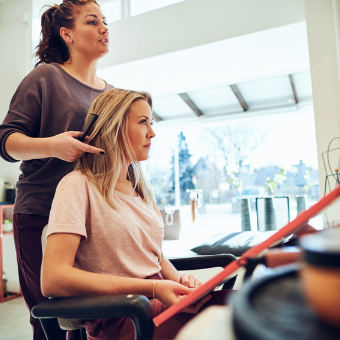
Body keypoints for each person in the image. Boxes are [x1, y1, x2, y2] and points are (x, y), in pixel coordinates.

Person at [42, 88, 231, 340]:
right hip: (123, 315)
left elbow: (155, 258)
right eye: (143, 122)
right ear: (114, 127)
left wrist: (181, 284)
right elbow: (53, 279)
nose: (152, 132)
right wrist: (154, 288)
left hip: (151, 303)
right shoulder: (78, 185)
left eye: (150, 123)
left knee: (253, 303)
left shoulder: (142, 192)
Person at [0, 1, 112, 339]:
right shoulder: (46, 77)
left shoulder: (110, 93)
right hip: (41, 212)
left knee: (86, 317)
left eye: (105, 21)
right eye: (93, 22)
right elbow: (6, 140)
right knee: (50, 319)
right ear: (67, 34)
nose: (105, 28)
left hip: (88, 217)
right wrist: (53, 146)